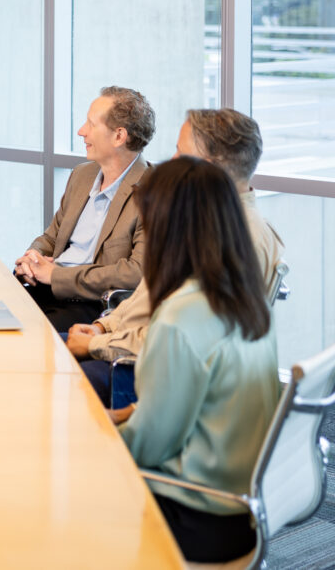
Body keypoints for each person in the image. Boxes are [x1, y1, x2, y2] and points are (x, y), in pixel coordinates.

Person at [113, 156, 278, 563]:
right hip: (243, 510)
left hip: (191, 515)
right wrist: (133, 412)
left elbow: (149, 446)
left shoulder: (179, 318)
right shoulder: (245, 299)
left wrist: (87, 438)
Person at [66, 108, 284, 406]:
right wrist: (103, 327)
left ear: (208, 166)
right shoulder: (208, 219)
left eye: (180, 154)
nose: (171, 163)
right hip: (127, 345)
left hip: (141, 370)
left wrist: (95, 344)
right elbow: (146, 296)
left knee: (54, 376)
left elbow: (179, 342)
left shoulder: (235, 240)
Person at [14, 86, 155, 331]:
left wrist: (57, 276)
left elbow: (136, 273)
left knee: (24, 336)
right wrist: (32, 258)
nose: (81, 131)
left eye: (91, 124)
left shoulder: (154, 192)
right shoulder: (82, 175)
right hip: (47, 289)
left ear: (119, 136)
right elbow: (51, 237)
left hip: (92, 305)